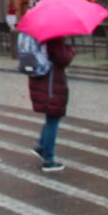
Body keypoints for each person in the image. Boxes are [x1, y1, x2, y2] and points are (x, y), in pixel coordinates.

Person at [29, 37, 75, 172]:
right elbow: (62, 59)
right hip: (51, 84)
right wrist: (71, 50)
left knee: (51, 117)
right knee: (53, 118)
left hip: (41, 81)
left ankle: (41, 146)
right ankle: (48, 159)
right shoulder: (54, 38)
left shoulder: (37, 36)